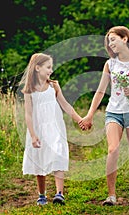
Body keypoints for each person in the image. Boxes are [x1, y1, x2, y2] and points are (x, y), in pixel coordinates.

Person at [79, 26, 129, 207]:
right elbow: (100, 91)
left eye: (113, 39)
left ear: (125, 39)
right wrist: (89, 115)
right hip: (114, 112)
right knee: (112, 149)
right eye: (108, 41)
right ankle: (111, 197)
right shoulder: (110, 64)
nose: (110, 44)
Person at [20, 53, 82, 206]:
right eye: (48, 67)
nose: (51, 70)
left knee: (58, 156)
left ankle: (59, 193)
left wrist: (80, 119)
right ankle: (42, 195)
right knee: (39, 160)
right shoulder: (29, 90)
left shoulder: (54, 86)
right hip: (38, 130)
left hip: (55, 128)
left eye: (51, 67)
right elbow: (28, 115)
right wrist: (33, 135)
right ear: (37, 68)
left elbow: (65, 105)